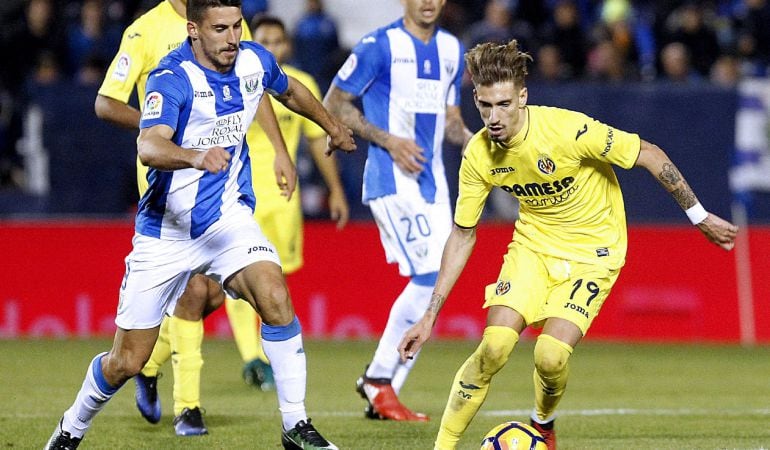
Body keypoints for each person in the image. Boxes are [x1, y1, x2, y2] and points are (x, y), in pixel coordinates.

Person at [397, 39, 739, 450]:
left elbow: (648, 153)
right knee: (494, 347)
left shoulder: (567, 130)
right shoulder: (478, 154)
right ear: (475, 99)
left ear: (523, 96)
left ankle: (543, 422)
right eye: (485, 106)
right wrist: (430, 314)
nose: (494, 117)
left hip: (593, 255)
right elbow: (463, 233)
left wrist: (698, 215)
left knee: (550, 358)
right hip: (533, 250)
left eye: (504, 104)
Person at [45, 0, 355, 449]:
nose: (232, 38)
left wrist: (330, 125)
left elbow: (288, 90)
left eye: (236, 26)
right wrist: (194, 155)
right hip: (166, 233)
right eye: (219, 29)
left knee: (274, 294)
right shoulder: (171, 79)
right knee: (127, 361)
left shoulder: (251, 59)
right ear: (194, 30)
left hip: (228, 219)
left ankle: (295, 426)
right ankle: (71, 427)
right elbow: (150, 146)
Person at [93, 0, 282, 436]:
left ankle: (151, 363)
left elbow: (255, 84)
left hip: (221, 179)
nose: (231, 34)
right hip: (171, 187)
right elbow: (105, 102)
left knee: (213, 296)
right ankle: (188, 408)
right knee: (194, 293)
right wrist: (168, 124)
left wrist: (280, 151)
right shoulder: (145, 31)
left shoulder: (227, 20)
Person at [323, 0, 472, 422]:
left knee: (440, 280)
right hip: (391, 178)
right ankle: (379, 380)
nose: (427, 2)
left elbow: (452, 119)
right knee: (427, 278)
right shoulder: (379, 45)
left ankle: (383, 390)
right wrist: (389, 141)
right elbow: (335, 102)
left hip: (435, 182)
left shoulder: (450, 49)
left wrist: (484, 143)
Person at [223, 13, 350, 392]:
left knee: (273, 283)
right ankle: (252, 358)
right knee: (240, 276)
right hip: (240, 196)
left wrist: (337, 191)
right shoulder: (235, 81)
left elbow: (315, 140)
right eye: (265, 40)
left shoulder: (300, 84)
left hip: (284, 198)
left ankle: (264, 355)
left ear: (287, 46)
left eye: (278, 42)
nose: (272, 47)